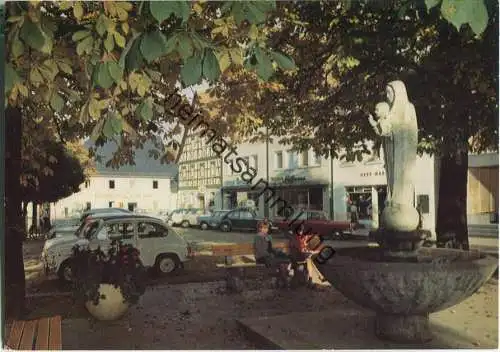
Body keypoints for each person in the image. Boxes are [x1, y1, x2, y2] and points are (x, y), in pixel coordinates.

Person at [253, 220, 292, 284]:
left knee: (285, 259)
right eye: (264, 228)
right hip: (261, 257)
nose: (266, 230)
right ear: (260, 228)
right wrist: (271, 254)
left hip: (269, 256)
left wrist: (278, 251)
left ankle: (282, 280)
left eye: (267, 228)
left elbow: (270, 248)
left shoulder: (268, 236)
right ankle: (284, 281)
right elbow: (260, 251)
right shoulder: (258, 237)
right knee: (281, 263)